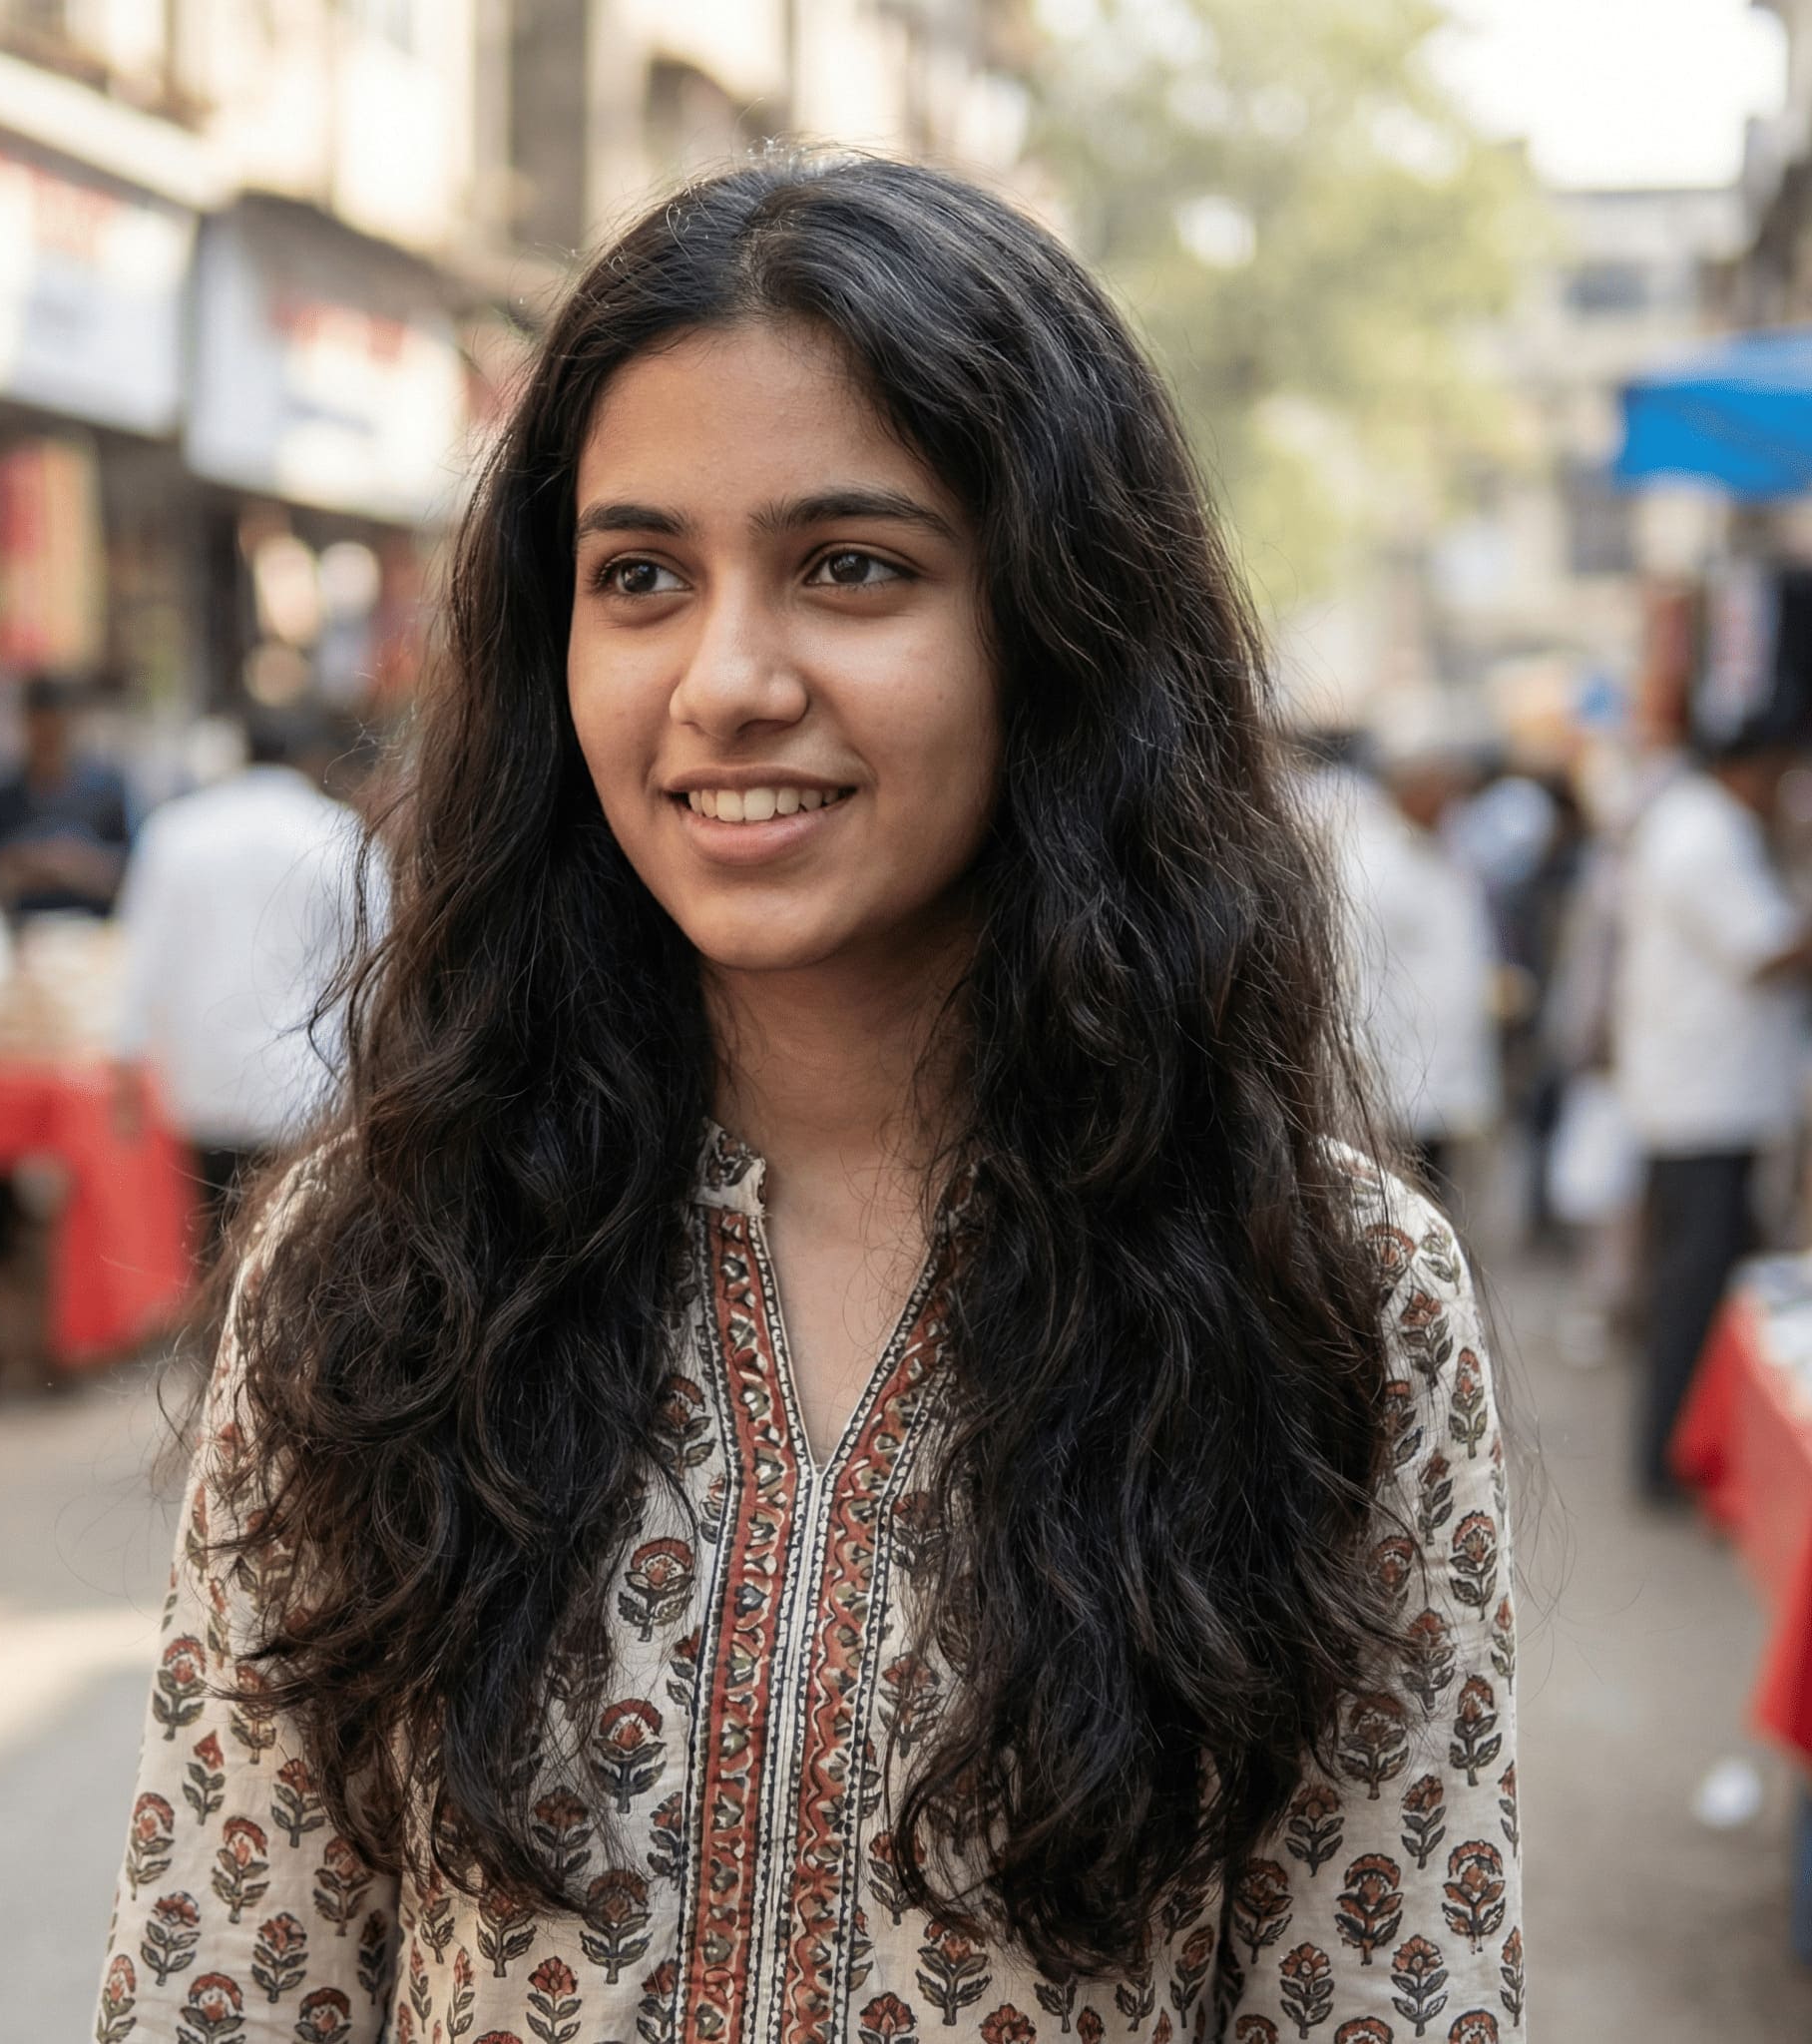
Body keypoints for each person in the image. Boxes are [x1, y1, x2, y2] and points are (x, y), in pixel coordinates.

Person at [99, 156, 1521, 2042]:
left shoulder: (1333, 1299)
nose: (728, 680)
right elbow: (223, 1981)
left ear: (1059, 628)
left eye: (850, 566)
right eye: (640, 578)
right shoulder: (380, 1262)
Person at [1616, 727, 1812, 1499]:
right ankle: (1670, 1458)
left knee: (1704, 1280)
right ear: (1750, 768)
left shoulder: (1702, 823)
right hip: (1703, 1103)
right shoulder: (1703, 835)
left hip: (1708, 1098)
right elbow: (1765, 948)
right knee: (1693, 1287)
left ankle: (1689, 1451)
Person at [114, 709, 364, 1261]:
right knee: (293, 1247)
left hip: (202, 1083)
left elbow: (142, 958)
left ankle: (215, 1313)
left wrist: (127, 1057)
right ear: (311, 759)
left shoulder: (177, 832)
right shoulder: (338, 834)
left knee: (212, 1238)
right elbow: (371, 966)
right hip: (305, 1085)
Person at [1331, 739, 1501, 1202]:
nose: (1451, 804)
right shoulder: (1371, 864)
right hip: (1397, 1086)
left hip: (1440, 1081)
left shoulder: (1443, 854)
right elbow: (1358, 983)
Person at [0, 673, 131, 917]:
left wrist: (79, 863)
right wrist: (24, 866)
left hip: (89, 928)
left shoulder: (106, 791)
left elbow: (131, 872)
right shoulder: (1, 797)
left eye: (54, 730)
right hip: (19, 925)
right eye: (40, 731)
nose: (47, 741)